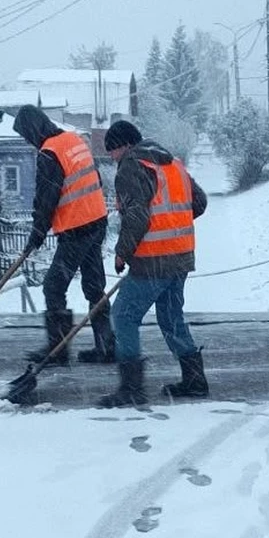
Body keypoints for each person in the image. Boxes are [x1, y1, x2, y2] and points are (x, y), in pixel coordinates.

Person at [97, 120, 209, 408]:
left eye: (112, 151)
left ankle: (131, 388)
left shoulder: (132, 167)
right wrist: (172, 226)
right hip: (181, 256)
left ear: (125, 145)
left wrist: (122, 253)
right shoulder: (172, 164)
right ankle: (195, 379)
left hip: (152, 260)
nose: (112, 157)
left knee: (123, 315)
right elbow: (199, 202)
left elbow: (137, 217)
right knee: (171, 317)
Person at [12, 105, 115, 366]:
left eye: (25, 135)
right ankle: (106, 346)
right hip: (97, 220)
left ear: (32, 130)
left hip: (76, 229)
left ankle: (57, 350)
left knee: (53, 287)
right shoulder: (74, 141)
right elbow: (95, 179)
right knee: (94, 286)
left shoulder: (50, 153)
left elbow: (46, 199)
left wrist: (36, 235)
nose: (27, 141)